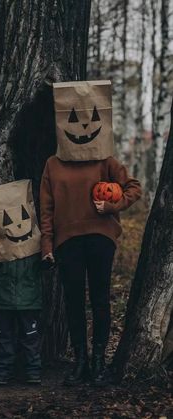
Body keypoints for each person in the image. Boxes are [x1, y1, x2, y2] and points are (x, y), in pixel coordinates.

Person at [40, 80, 142, 386]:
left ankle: (99, 362)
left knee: (99, 299)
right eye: (71, 118)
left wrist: (114, 206)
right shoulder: (53, 164)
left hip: (101, 238)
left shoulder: (105, 159)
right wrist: (47, 245)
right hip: (67, 242)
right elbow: (46, 210)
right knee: (72, 301)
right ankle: (80, 363)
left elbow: (134, 188)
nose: (81, 126)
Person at [0, 254, 42, 385]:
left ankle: (33, 372)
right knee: (3, 337)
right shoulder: (2, 247)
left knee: (30, 338)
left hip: (29, 301)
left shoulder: (35, 248)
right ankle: (1, 372)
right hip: (4, 301)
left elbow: (45, 266)